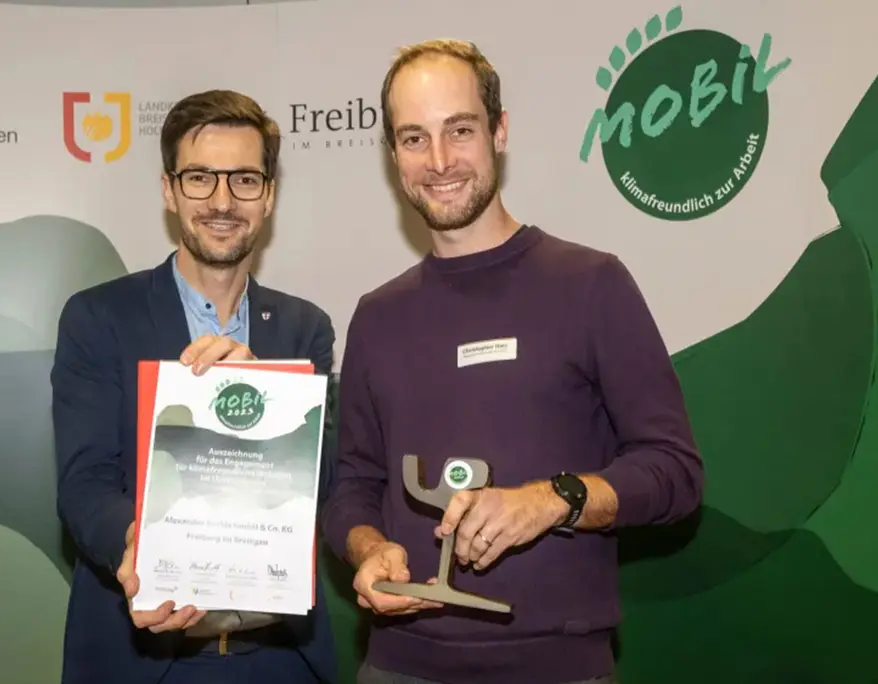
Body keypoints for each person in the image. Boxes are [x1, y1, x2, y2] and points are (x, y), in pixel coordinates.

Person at [320, 39, 705, 684]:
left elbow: (675, 471)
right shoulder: (377, 316)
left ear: (498, 132)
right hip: (398, 666)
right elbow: (354, 486)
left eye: (459, 130)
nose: (439, 161)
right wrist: (369, 548)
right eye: (414, 138)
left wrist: (554, 499)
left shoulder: (592, 284)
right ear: (393, 155)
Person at [52, 89, 338, 684]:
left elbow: (325, 482)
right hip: (148, 657)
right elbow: (84, 485)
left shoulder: (305, 328)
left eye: (245, 180)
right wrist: (142, 548)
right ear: (170, 190)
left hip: (280, 659)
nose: (222, 201)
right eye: (200, 178)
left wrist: (265, 391)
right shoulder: (98, 317)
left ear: (269, 196)